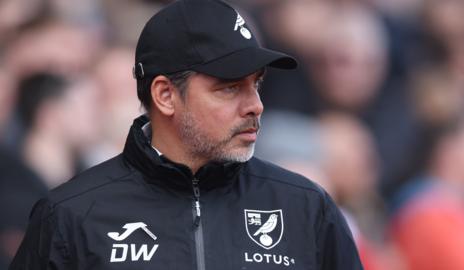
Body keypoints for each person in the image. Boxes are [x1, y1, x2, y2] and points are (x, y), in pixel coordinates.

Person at [9, 0, 363, 269]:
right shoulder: (71, 215)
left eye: (256, 84)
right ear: (165, 95)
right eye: (230, 88)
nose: (255, 105)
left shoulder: (306, 207)